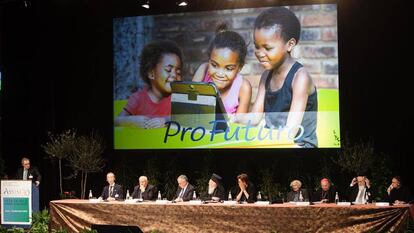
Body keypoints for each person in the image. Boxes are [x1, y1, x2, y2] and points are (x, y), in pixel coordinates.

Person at [238, 7, 318, 148]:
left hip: (299, 145)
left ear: (290, 44)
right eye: (257, 46)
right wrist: (231, 118)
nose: (260, 53)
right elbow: (255, 118)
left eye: (268, 48)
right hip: (275, 142)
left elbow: (291, 132)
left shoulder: (300, 78)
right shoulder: (266, 76)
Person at [115, 40, 183, 128]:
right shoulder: (138, 99)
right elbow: (117, 121)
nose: (174, 75)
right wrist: (130, 121)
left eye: (178, 72)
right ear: (151, 73)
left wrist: (166, 121)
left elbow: (189, 119)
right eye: (168, 70)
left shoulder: (178, 98)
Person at [192, 24, 252, 116]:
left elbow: (240, 125)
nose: (220, 74)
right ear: (209, 60)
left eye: (228, 68)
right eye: (214, 65)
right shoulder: (204, 69)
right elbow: (189, 104)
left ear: (239, 67)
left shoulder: (243, 87)